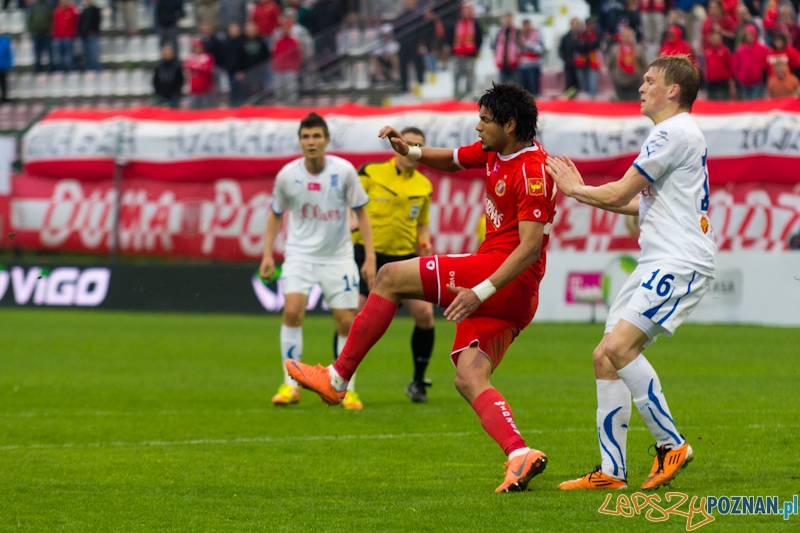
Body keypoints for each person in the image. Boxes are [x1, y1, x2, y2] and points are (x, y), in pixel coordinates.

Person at [286, 83, 556, 493]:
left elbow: (530, 247)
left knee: (390, 277)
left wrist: (480, 291)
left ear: (511, 125)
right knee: (469, 378)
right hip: (508, 289)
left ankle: (337, 378)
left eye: (485, 120)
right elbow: (451, 159)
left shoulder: (532, 171)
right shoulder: (496, 150)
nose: (478, 126)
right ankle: (519, 453)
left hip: (503, 277)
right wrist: (409, 151)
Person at [547, 54, 716, 491]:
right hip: (657, 259)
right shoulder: (676, 133)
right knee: (605, 355)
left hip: (679, 260)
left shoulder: (672, 132)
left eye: (649, 80)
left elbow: (620, 191)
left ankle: (671, 444)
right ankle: (611, 471)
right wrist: (583, 191)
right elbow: (635, 202)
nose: (640, 87)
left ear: (672, 90)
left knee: (620, 347)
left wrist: (575, 190)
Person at [263, 112, 377, 411]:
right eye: (306, 137)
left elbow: (362, 212)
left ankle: (345, 389)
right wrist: (267, 254)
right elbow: (275, 213)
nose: (311, 142)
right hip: (299, 254)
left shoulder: (344, 171)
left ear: (327, 140)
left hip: (338, 256)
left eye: (316, 136)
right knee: (292, 311)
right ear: (300, 141)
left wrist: (370, 257)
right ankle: (290, 386)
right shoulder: (287, 175)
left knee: (345, 321)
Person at [351, 127, 436, 403]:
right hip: (366, 254)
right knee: (353, 316)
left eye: (418, 145)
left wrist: (425, 243)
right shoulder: (371, 172)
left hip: (402, 258)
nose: (412, 149)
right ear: (397, 145)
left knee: (425, 314)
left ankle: (418, 382)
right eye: (408, 143)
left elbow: (422, 224)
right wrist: (348, 223)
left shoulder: (424, 185)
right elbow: (351, 207)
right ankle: (343, 382)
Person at [448, 1, 483, 99]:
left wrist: (476, 50)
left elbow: (479, 38)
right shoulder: (456, 23)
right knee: (456, 74)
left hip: (469, 54)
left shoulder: (474, 24)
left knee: (470, 75)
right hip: (457, 54)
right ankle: (456, 94)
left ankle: (469, 93)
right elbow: (450, 37)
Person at [607, 25, 648, 100]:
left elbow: (644, 64)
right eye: (625, 35)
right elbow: (610, 65)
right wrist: (614, 77)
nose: (627, 37)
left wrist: (641, 76)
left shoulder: (638, 49)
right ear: (621, 36)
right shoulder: (615, 49)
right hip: (619, 81)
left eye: (629, 35)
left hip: (635, 81)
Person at [271, 13, 303, 105]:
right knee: (279, 89)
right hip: (279, 69)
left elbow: (297, 56)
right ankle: (280, 105)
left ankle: (292, 105)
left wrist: (296, 67)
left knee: (291, 88)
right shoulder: (278, 41)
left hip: (290, 69)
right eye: (283, 28)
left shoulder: (294, 41)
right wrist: (275, 67)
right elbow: (274, 55)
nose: (285, 30)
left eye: (287, 28)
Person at [733, 25, 769, 99]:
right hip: (744, 84)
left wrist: (762, 76)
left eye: (751, 34)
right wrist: (740, 76)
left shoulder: (763, 49)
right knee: (746, 104)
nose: (749, 36)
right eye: (747, 34)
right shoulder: (740, 50)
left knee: (756, 104)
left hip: (758, 83)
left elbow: (767, 65)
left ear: (755, 34)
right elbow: (735, 65)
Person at [705, 29, 735, 99]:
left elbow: (730, 65)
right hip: (711, 81)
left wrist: (731, 79)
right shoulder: (707, 51)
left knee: (722, 100)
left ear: (720, 39)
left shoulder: (725, 51)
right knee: (711, 101)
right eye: (713, 38)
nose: (715, 40)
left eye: (716, 38)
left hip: (722, 81)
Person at [185, 38, 215, 108]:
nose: (197, 48)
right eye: (195, 47)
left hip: (206, 88)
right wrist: (200, 67)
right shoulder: (190, 58)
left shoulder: (207, 57)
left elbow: (208, 69)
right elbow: (188, 68)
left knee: (207, 108)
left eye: (199, 46)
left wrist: (196, 68)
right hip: (194, 89)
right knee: (194, 109)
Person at [518, 19, 544, 95]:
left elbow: (540, 49)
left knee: (533, 85)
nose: (525, 27)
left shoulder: (536, 34)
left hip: (534, 64)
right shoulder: (521, 35)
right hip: (523, 64)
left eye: (527, 25)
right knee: (524, 86)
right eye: (524, 26)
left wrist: (527, 45)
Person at [52, 0, 79, 72]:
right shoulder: (58, 10)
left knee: (69, 57)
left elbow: (75, 21)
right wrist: (55, 35)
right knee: (59, 58)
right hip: (58, 37)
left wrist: (72, 34)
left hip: (68, 37)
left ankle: (72, 72)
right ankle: (60, 73)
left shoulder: (72, 10)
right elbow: (55, 24)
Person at [494, 12, 521, 84]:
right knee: (502, 84)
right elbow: (496, 46)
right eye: (506, 19)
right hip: (503, 62)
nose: (508, 21)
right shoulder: (500, 32)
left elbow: (520, 46)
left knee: (515, 84)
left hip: (514, 63)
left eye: (509, 19)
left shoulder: (517, 31)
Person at [77, 0, 101, 71]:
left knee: (93, 55)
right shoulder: (84, 10)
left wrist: (93, 31)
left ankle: (97, 70)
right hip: (84, 35)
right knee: (86, 55)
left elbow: (97, 22)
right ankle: (88, 70)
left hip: (92, 35)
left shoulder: (95, 10)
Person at [0, 26, 11, 102]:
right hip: (3, 65)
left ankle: (4, 97)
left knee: (3, 82)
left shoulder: (4, 40)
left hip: (2, 66)